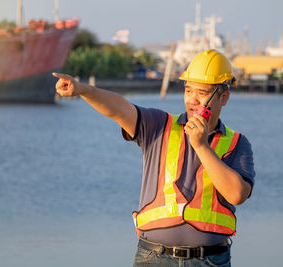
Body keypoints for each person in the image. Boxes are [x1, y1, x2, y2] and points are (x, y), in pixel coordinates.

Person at [53, 49, 255, 267]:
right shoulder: (160, 125)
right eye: (188, 91)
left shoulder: (236, 143)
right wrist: (83, 89)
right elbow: (119, 109)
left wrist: (201, 146)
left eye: (202, 93)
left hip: (210, 260)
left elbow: (237, 195)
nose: (192, 100)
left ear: (223, 97)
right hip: (154, 258)